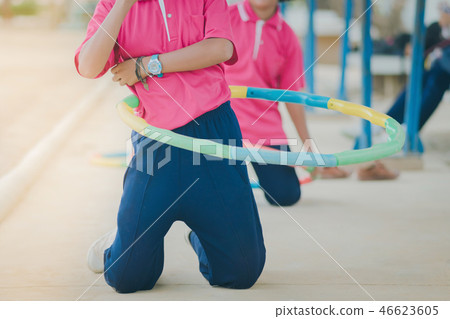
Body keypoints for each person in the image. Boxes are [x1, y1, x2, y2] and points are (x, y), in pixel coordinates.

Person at [75, 0, 265, 293]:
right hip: (156, 142)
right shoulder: (113, 5)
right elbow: (88, 66)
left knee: (242, 273)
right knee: (127, 278)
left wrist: (147, 65)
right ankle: (118, 242)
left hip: (214, 132)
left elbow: (221, 48)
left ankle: (201, 234)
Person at [225, 0, 349, 207]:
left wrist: (310, 150)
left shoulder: (287, 36)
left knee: (287, 195)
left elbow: (292, 96)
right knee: (220, 197)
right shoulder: (225, 17)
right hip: (223, 120)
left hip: (264, 127)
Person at [385, 2, 450, 133]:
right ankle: (389, 122)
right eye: (441, 8)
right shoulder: (434, 29)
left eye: (445, 10)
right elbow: (415, 48)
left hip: (443, 75)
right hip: (433, 72)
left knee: (436, 79)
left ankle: (410, 128)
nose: (441, 13)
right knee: (419, 78)